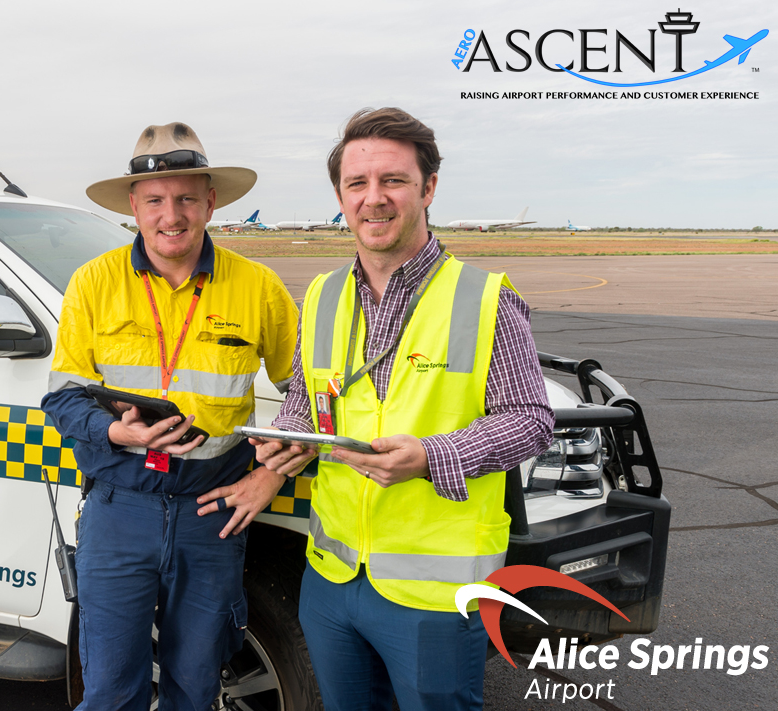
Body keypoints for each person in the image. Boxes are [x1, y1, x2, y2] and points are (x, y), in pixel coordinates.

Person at [252, 107, 554, 710]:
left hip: (435, 594)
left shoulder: (485, 297)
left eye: (393, 181)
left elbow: (530, 419)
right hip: (332, 577)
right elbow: (311, 402)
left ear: (429, 188)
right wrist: (286, 438)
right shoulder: (322, 293)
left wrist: (432, 456)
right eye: (357, 184)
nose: (374, 199)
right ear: (340, 196)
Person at [42, 122, 298, 711]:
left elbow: (311, 400)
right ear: (134, 206)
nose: (171, 215)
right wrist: (115, 430)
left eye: (186, 198)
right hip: (118, 509)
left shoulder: (257, 287)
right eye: (155, 200)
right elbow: (62, 398)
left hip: (212, 516)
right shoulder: (93, 283)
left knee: (195, 688)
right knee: (110, 692)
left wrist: (271, 475)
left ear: (210, 202)